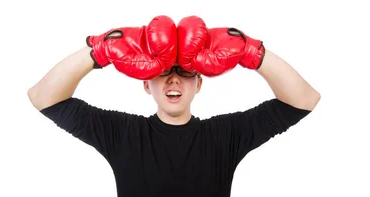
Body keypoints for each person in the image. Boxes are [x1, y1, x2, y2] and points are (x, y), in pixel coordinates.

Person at [27, 15, 321, 197]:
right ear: (146, 83)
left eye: (185, 72)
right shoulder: (123, 133)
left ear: (199, 83)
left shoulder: (224, 135)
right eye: (164, 72)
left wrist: (251, 51)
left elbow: (304, 100)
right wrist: (99, 49)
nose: (174, 81)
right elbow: (43, 97)